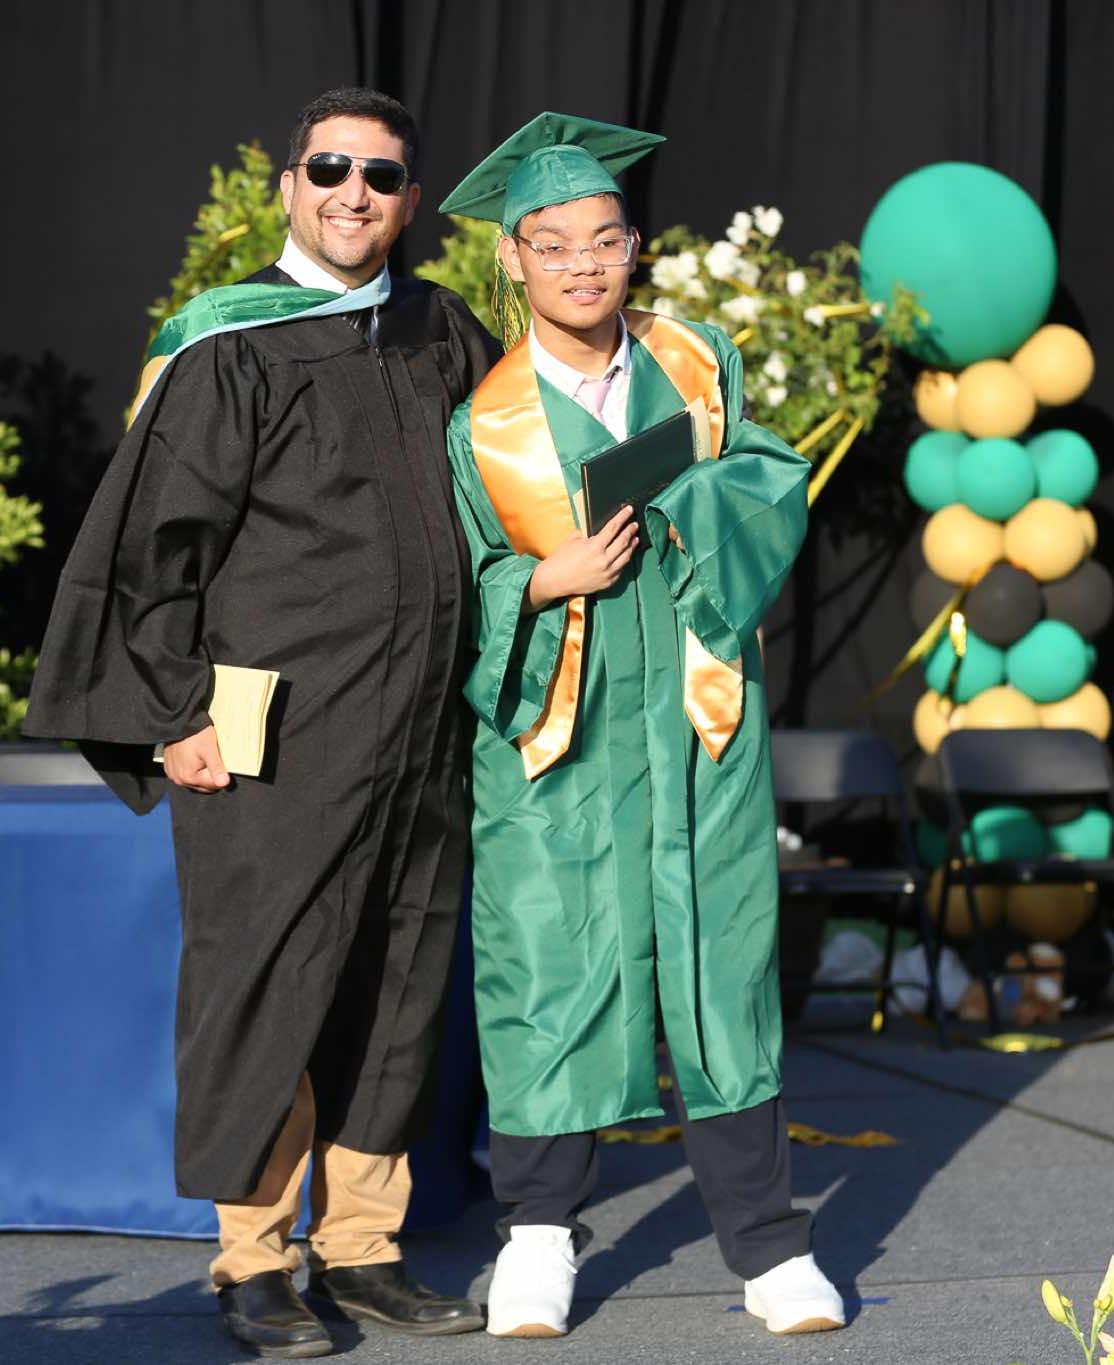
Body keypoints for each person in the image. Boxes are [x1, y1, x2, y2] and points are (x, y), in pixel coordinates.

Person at [24, 87, 497, 1358]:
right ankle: (254, 1259)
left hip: (423, 727)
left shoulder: (439, 330)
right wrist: (172, 711)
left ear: (410, 200)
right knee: (267, 984)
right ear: (288, 186)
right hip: (273, 729)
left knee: (398, 981)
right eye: (329, 169)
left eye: (381, 176)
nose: (354, 194)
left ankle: (364, 1246)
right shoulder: (229, 345)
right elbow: (150, 550)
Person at [435, 113, 847, 1339]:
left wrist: (693, 502)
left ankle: (767, 1248)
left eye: (605, 240)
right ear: (510, 260)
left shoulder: (697, 362)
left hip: (695, 714)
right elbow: (456, 585)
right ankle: (535, 1238)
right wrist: (540, 582)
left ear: (633, 249)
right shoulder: (483, 423)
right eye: (553, 244)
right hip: (555, 734)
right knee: (546, 965)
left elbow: (769, 483)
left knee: (723, 964)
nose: (583, 265)